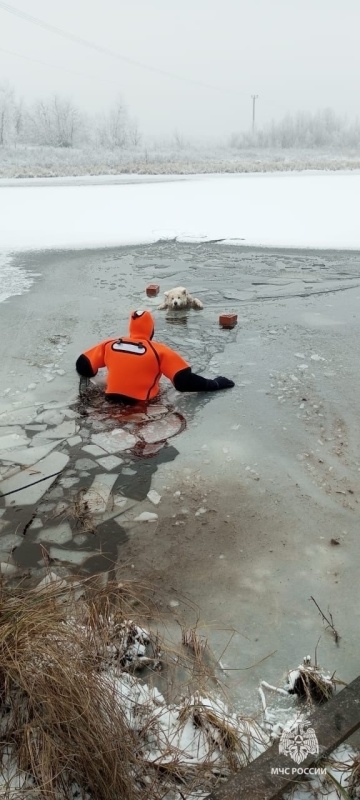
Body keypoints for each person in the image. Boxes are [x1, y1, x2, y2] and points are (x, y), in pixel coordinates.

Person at [76, 310, 234, 404]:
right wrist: (215, 384)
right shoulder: (159, 351)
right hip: (143, 405)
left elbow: (83, 364)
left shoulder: (110, 344)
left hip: (109, 400)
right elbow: (184, 382)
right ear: (150, 330)